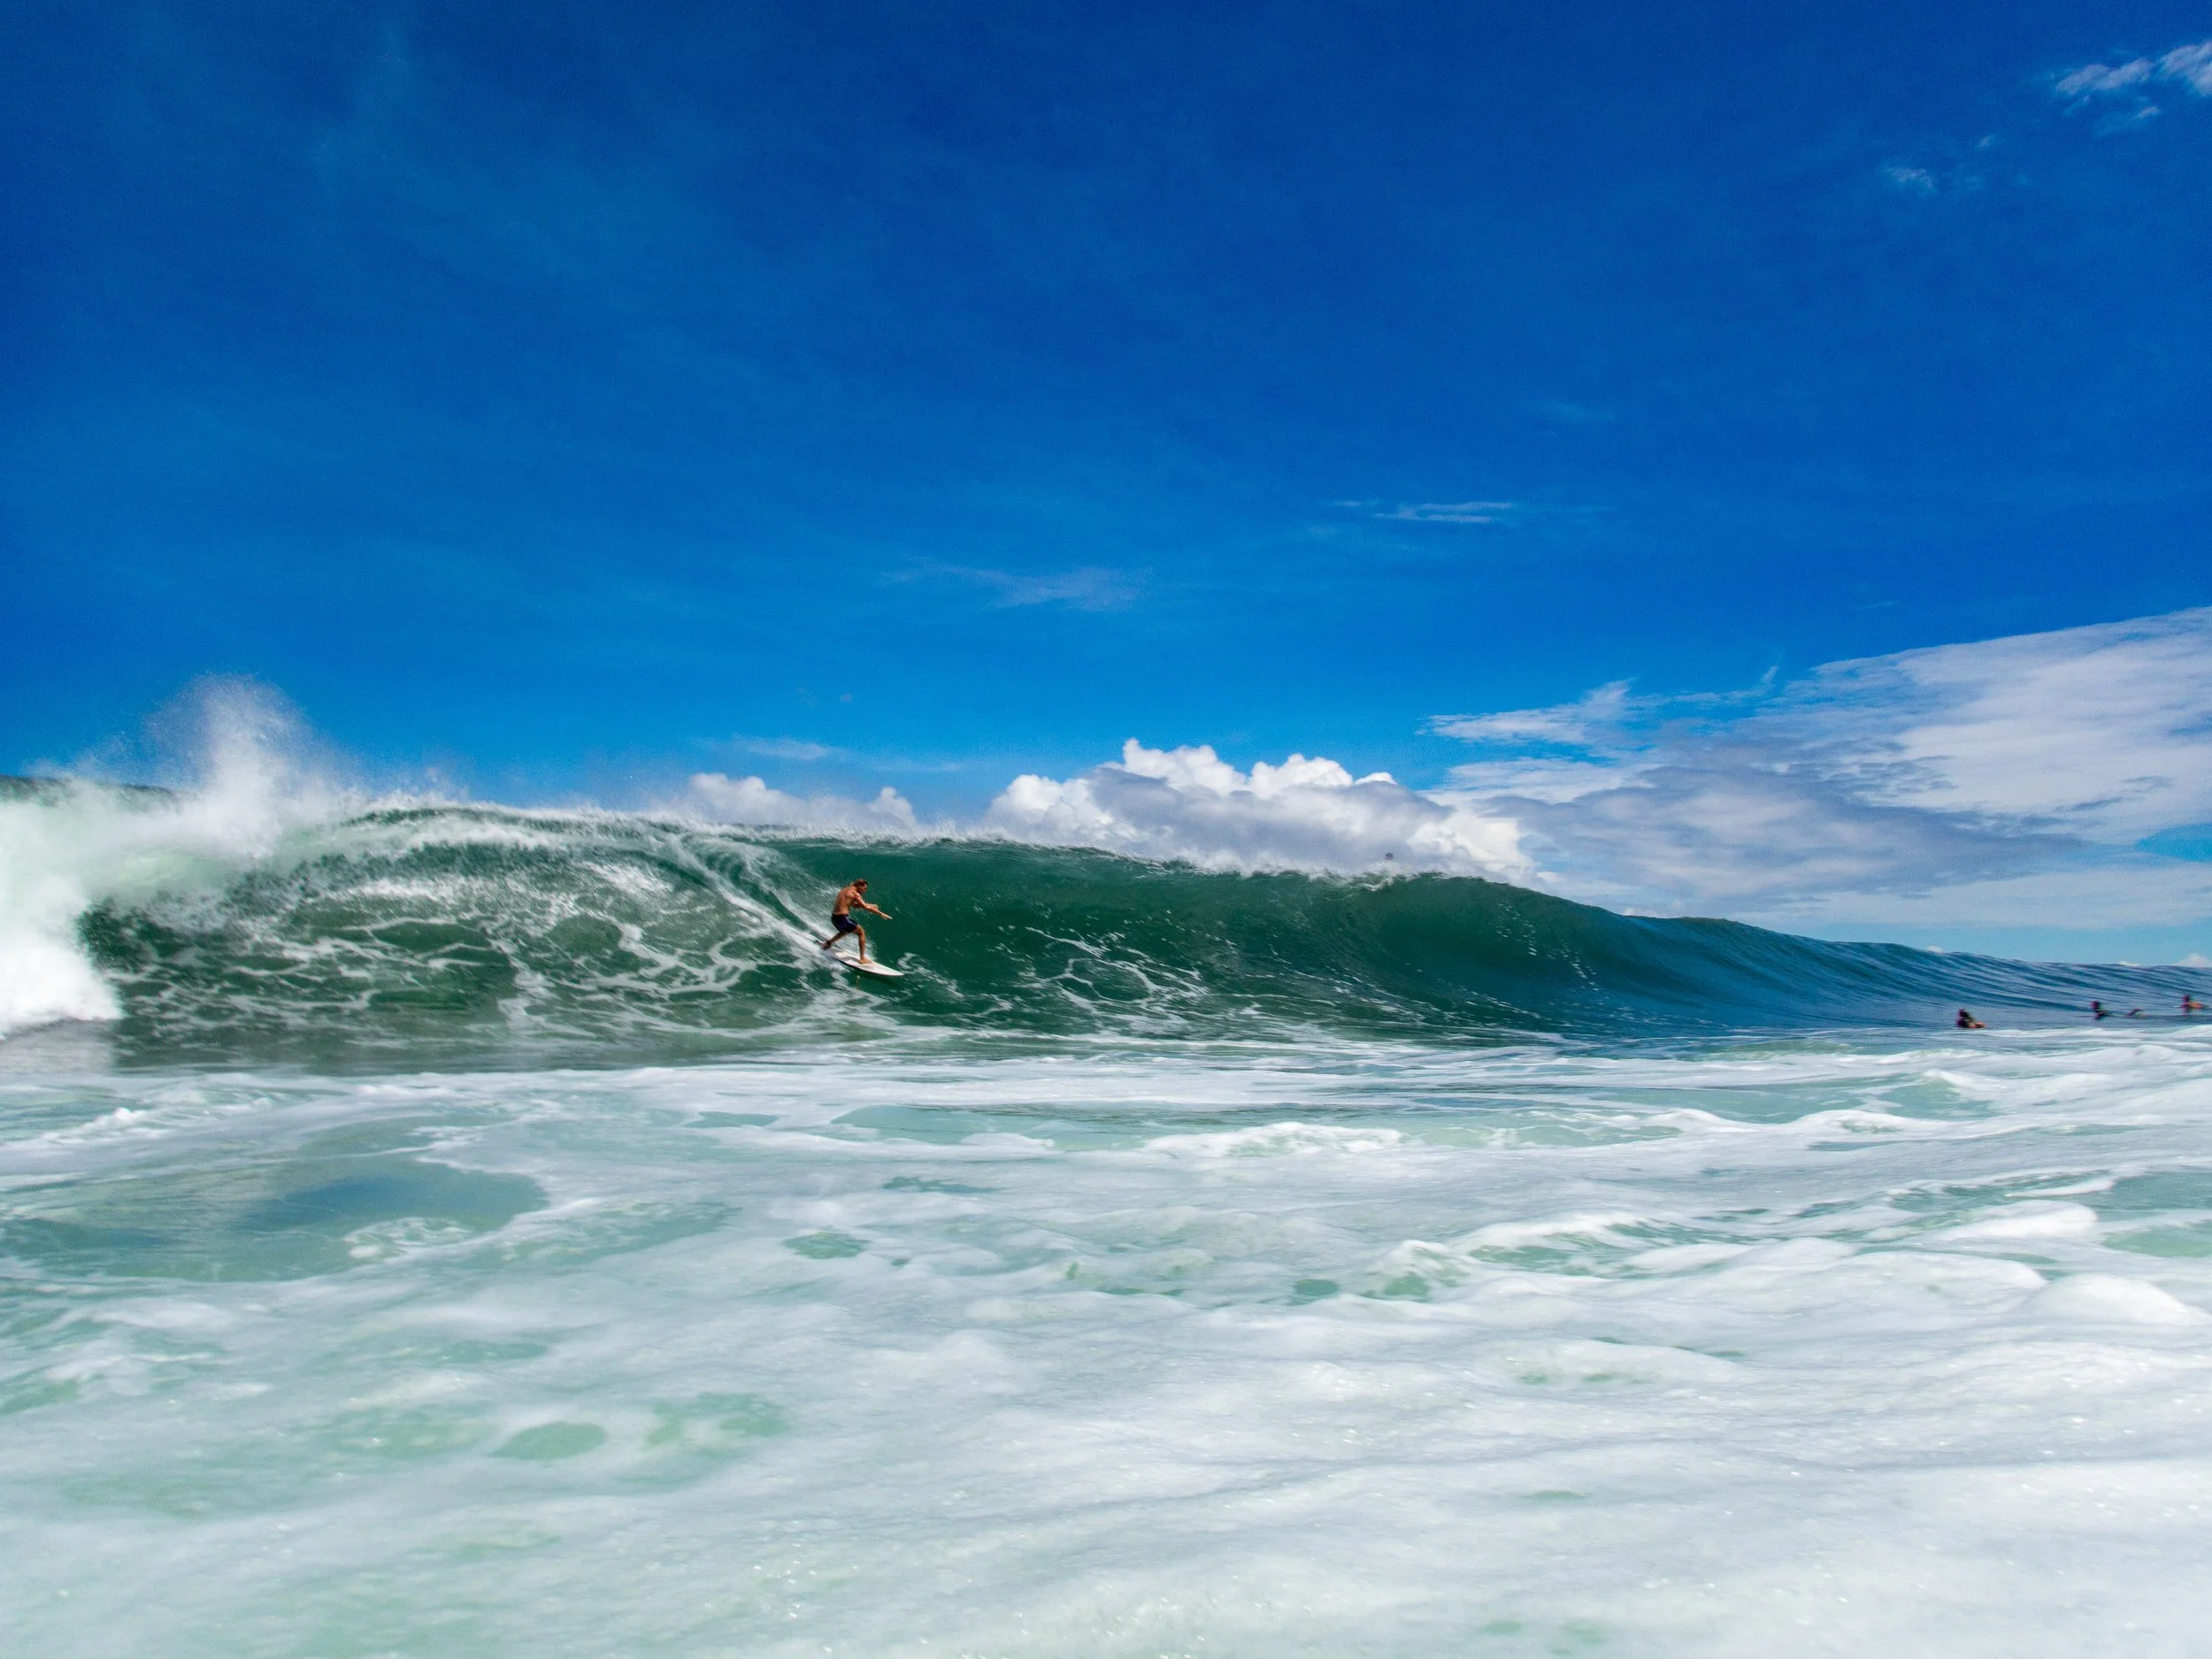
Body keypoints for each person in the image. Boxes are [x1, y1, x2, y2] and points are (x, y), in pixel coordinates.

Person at [819, 878, 892, 963]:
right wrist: (880, 913)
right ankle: (862, 959)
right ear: (859, 886)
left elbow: (853, 905)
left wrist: (868, 905)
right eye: (864, 888)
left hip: (834, 918)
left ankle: (827, 944)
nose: (865, 891)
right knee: (861, 932)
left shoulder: (844, 890)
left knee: (845, 931)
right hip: (843, 919)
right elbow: (866, 908)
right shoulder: (855, 894)